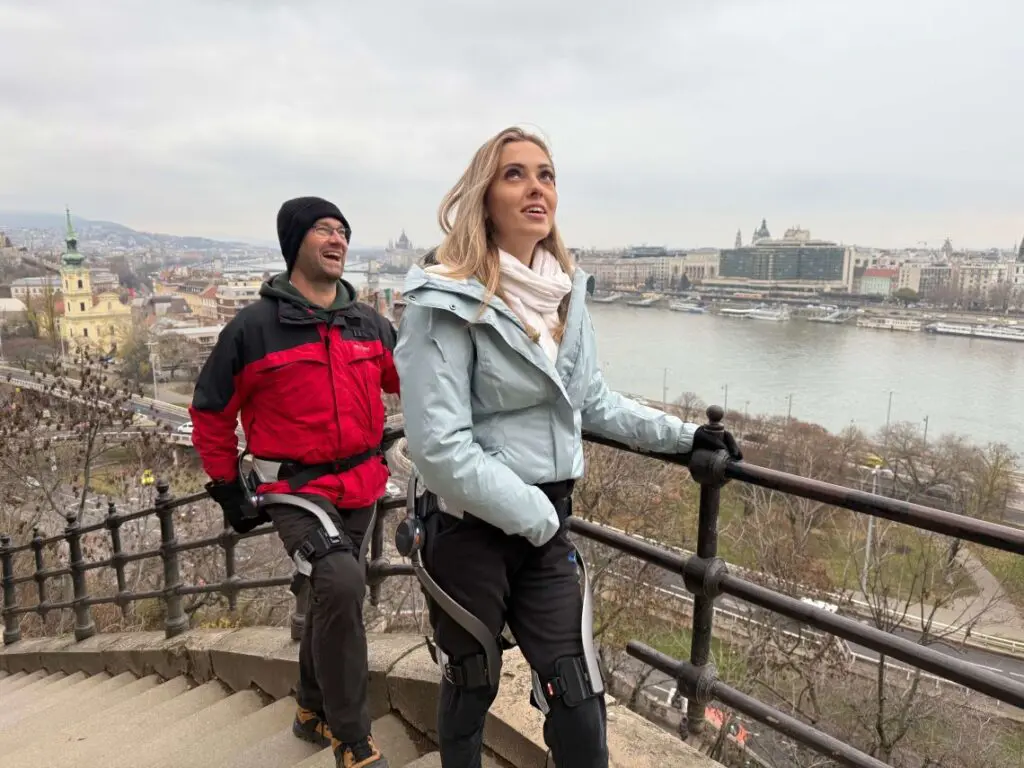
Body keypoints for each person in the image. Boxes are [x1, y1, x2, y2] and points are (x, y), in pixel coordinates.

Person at [393, 127, 742, 768]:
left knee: (580, 709)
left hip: (545, 527)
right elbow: (437, 447)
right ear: (484, 196)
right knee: (472, 685)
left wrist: (687, 436)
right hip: (473, 528)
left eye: (547, 175)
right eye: (515, 174)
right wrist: (536, 514)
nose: (536, 188)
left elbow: (591, 401)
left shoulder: (565, 293)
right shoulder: (442, 303)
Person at [190, 196, 399, 768]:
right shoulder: (253, 329)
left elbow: (415, 383)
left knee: (329, 595)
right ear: (294, 244)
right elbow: (211, 410)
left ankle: (309, 708)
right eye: (322, 230)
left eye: (343, 231)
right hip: (295, 490)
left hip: (363, 484)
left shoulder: (370, 323)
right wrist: (227, 487)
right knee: (340, 585)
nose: (337, 240)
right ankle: (350, 736)